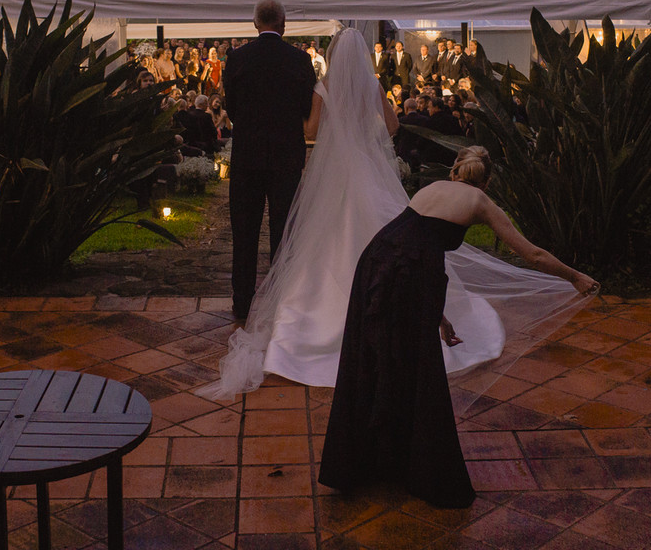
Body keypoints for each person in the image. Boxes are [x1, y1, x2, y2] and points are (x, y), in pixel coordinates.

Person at [199, 30, 585, 405]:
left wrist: (328, 126)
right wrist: (364, 136)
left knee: (323, 241)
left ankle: (311, 327)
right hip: (366, 170)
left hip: (332, 174)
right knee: (381, 231)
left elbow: (312, 129)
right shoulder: (371, 84)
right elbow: (393, 125)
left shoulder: (324, 85)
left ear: (333, 55)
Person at [318, 146, 597, 509]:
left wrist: (437, 315)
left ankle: (366, 461)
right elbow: (533, 254)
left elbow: (411, 248)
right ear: (487, 181)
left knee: (376, 357)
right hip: (406, 274)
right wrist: (575, 277)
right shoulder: (481, 203)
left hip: (374, 263)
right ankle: (414, 468)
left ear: (454, 172)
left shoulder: (432, 189)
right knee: (416, 366)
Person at [222, 0, 316, 320]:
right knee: (283, 232)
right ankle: (281, 301)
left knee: (244, 233)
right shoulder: (300, 61)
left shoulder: (237, 59)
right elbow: (307, 109)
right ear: (284, 24)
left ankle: (242, 302)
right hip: (286, 159)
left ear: (255, 24)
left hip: (247, 158)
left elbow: (231, 109)